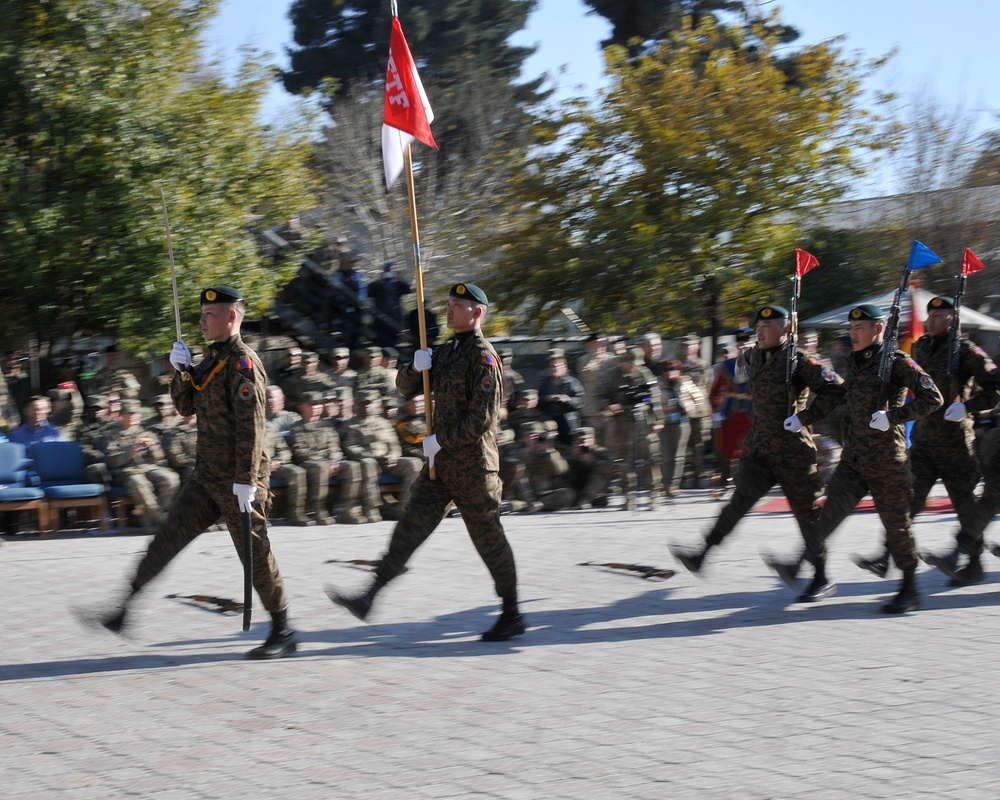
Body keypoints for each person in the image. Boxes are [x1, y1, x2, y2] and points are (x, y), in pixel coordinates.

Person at [88, 286, 297, 660]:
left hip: (238, 480)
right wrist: (182, 371)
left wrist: (246, 480)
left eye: (209, 314)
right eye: (201, 313)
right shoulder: (209, 359)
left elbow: (252, 427)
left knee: (255, 554)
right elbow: (185, 407)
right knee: (167, 538)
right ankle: (123, 609)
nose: (201, 320)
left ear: (231, 316)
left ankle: (283, 630)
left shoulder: (244, 362)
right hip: (206, 476)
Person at [327, 282, 525, 641]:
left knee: (489, 539)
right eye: (448, 304)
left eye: (456, 306)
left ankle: (511, 612)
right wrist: (415, 366)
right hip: (440, 467)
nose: (449, 311)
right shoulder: (446, 351)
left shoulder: (484, 358)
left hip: (474, 467)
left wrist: (439, 440)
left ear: (476, 313)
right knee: (409, 528)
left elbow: (482, 420)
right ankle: (370, 595)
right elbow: (405, 388)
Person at [765, 304, 943, 614]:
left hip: (887, 458)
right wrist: (805, 418)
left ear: (878, 330)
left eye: (860, 328)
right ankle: (798, 562)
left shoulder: (899, 362)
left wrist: (894, 416)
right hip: (855, 457)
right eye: (851, 329)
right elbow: (842, 398)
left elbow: (933, 398)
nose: (854, 333)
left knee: (896, 527)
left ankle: (910, 588)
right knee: (828, 514)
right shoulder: (854, 362)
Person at [669, 306, 844, 573]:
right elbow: (738, 368)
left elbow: (837, 389)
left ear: (784, 329)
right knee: (737, 503)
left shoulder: (799, 360)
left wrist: (805, 417)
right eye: (758, 328)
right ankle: (702, 554)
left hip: (792, 453)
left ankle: (820, 576)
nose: (760, 333)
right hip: (761, 450)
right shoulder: (754, 356)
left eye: (767, 327)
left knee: (807, 515)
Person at [861, 296, 1000, 585]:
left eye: (939, 316)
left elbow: (994, 389)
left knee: (964, 503)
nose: (931, 321)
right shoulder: (921, 346)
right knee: (907, 497)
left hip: (955, 442)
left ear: (953, 319)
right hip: (924, 439)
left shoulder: (966, 350)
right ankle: (886, 553)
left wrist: (967, 406)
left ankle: (972, 564)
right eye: (929, 316)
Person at [102, 398, 180, 533]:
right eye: (129, 414)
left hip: (147, 467)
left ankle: (148, 517)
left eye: (136, 414)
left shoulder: (146, 433)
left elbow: (158, 458)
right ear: (122, 416)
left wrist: (153, 447)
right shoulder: (112, 435)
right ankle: (160, 518)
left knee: (171, 478)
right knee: (138, 482)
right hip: (125, 471)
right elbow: (112, 461)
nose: (133, 417)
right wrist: (130, 452)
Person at [601, 349, 663, 510]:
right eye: (631, 364)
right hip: (622, 422)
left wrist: (658, 418)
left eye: (637, 364)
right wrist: (609, 406)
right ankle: (629, 497)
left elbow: (653, 397)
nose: (634, 367)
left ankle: (654, 496)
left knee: (651, 458)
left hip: (644, 419)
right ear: (623, 362)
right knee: (624, 461)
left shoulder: (645, 373)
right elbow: (600, 396)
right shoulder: (612, 375)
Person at [658, 359, 707, 498]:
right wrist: (662, 409)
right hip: (664, 423)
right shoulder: (657, 384)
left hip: (682, 422)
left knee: (678, 457)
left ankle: (673, 486)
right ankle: (664, 484)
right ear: (663, 372)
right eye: (668, 370)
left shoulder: (686, 382)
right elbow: (646, 400)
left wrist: (691, 407)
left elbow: (699, 397)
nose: (671, 372)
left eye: (674, 369)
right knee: (666, 456)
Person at [537, 353, 585, 446]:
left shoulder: (572, 382)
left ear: (564, 366)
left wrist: (568, 400)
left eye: (557, 366)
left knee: (570, 444)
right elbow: (538, 400)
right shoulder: (544, 383)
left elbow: (581, 400)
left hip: (568, 420)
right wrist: (547, 398)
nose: (554, 368)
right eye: (551, 366)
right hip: (549, 419)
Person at [369, 262, 412, 346]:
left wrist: (399, 278)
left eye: (390, 271)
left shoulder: (398, 284)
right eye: (387, 271)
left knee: (393, 341)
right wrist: (380, 281)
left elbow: (407, 290)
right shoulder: (378, 285)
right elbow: (369, 292)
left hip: (394, 317)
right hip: (380, 318)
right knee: (381, 341)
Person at [10, 395, 63, 459]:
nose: (38, 412)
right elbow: (15, 459)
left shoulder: (55, 432)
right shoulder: (18, 435)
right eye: (34, 409)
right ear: (26, 411)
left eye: (42, 409)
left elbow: (61, 454)